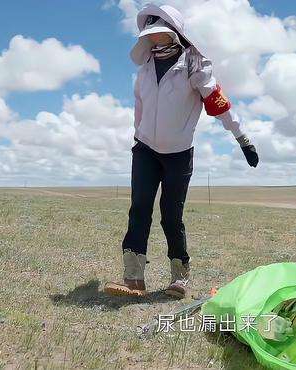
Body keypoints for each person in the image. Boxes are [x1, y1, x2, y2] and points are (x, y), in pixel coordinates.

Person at [104, 4, 259, 299]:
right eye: (150, 35)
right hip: (145, 150)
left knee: (171, 215)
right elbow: (140, 110)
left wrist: (243, 139)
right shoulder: (145, 71)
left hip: (178, 154)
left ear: (174, 34)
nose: (154, 40)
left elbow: (219, 105)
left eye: (159, 34)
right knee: (139, 209)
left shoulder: (195, 67)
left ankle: (179, 277)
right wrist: (139, 138)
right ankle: (133, 278)